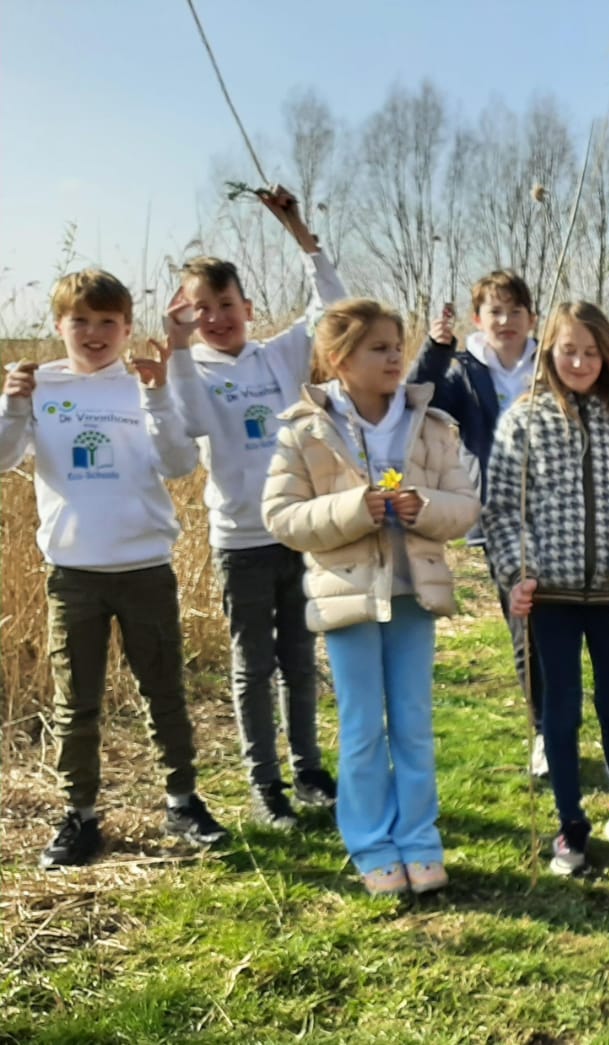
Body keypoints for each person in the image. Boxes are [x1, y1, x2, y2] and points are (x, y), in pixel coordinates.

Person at [0, 269, 226, 868]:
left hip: (146, 567)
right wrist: (12, 404)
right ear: (59, 327)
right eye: (81, 321)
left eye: (108, 323)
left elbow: (179, 464)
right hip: (73, 575)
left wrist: (156, 397)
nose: (94, 333)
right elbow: (2, 459)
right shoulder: (37, 383)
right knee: (77, 702)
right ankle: (80, 817)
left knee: (164, 693)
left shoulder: (143, 383)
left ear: (128, 329)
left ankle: (182, 802)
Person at [261, 298, 480, 895]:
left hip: (413, 593)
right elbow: (281, 516)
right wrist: (354, 509)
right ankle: (371, 843)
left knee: (412, 722)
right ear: (338, 360)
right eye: (378, 348)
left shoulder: (431, 426)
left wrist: (423, 507)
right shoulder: (304, 430)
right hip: (348, 598)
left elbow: (465, 506)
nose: (394, 358)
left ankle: (419, 840)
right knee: (361, 727)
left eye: (396, 346)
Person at [167, 185, 345, 828]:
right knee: (254, 667)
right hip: (240, 543)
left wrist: (301, 235)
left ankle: (308, 769)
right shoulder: (194, 370)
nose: (217, 318)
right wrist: (179, 352)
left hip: (298, 534)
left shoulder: (279, 356)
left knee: (301, 660)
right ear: (185, 315)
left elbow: (332, 307)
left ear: (248, 306)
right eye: (202, 309)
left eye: (226, 305)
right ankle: (263, 782)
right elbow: (186, 427)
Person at [483, 301, 609, 877]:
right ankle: (570, 822)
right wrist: (519, 572)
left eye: (591, 351)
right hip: (553, 599)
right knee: (562, 711)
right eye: (568, 349)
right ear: (549, 351)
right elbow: (502, 511)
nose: (579, 360)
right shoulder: (524, 420)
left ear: (608, 355)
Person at [410, 271, 544, 774]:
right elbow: (416, 399)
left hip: (557, 510)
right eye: (494, 311)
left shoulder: (549, 362)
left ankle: (564, 720)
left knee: (561, 622)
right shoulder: (464, 370)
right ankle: (544, 731)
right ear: (477, 319)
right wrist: (435, 349)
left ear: (532, 317)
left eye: (514, 310)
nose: (505, 321)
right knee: (524, 621)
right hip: (500, 517)